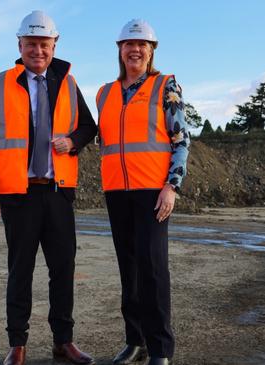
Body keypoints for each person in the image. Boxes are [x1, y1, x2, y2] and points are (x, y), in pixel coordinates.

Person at [0, 10, 97, 365]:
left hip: (57, 192)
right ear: (20, 45)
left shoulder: (68, 83)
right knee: (20, 269)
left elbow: (89, 127)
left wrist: (72, 141)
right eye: (31, 44)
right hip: (18, 194)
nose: (38, 50)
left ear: (54, 45)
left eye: (44, 44)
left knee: (63, 269)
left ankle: (63, 341)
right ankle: (18, 344)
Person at [96, 19, 191, 365]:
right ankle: (134, 341)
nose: (135, 50)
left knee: (152, 269)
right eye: (128, 44)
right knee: (129, 269)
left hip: (153, 190)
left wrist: (172, 186)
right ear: (119, 49)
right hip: (116, 191)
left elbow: (181, 140)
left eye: (142, 45)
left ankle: (160, 349)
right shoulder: (105, 93)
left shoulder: (166, 86)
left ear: (151, 51)